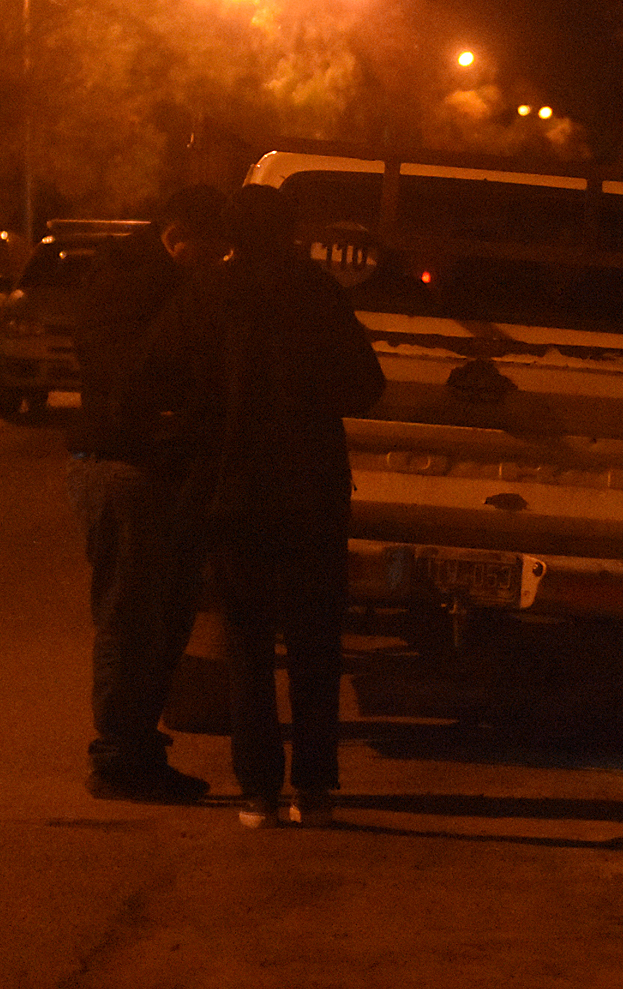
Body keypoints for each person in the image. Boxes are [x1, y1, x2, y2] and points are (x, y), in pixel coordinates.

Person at [145, 184, 386, 828]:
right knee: (315, 647)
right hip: (311, 493)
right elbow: (367, 386)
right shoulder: (319, 295)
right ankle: (314, 788)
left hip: (235, 496)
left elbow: (157, 371)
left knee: (248, 647)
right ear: (288, 232)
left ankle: (257, 791)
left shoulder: (205, 296)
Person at [67, 184, 227, 802]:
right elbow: (129, 376)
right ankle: (118, 758)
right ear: (180, 239)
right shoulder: (134, 287)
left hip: (153, 469)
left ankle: (133, 751)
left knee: (157, 623)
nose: (215, 267)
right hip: (130, 470)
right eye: (209, 254)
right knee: (134, 623)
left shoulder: (154, 281)